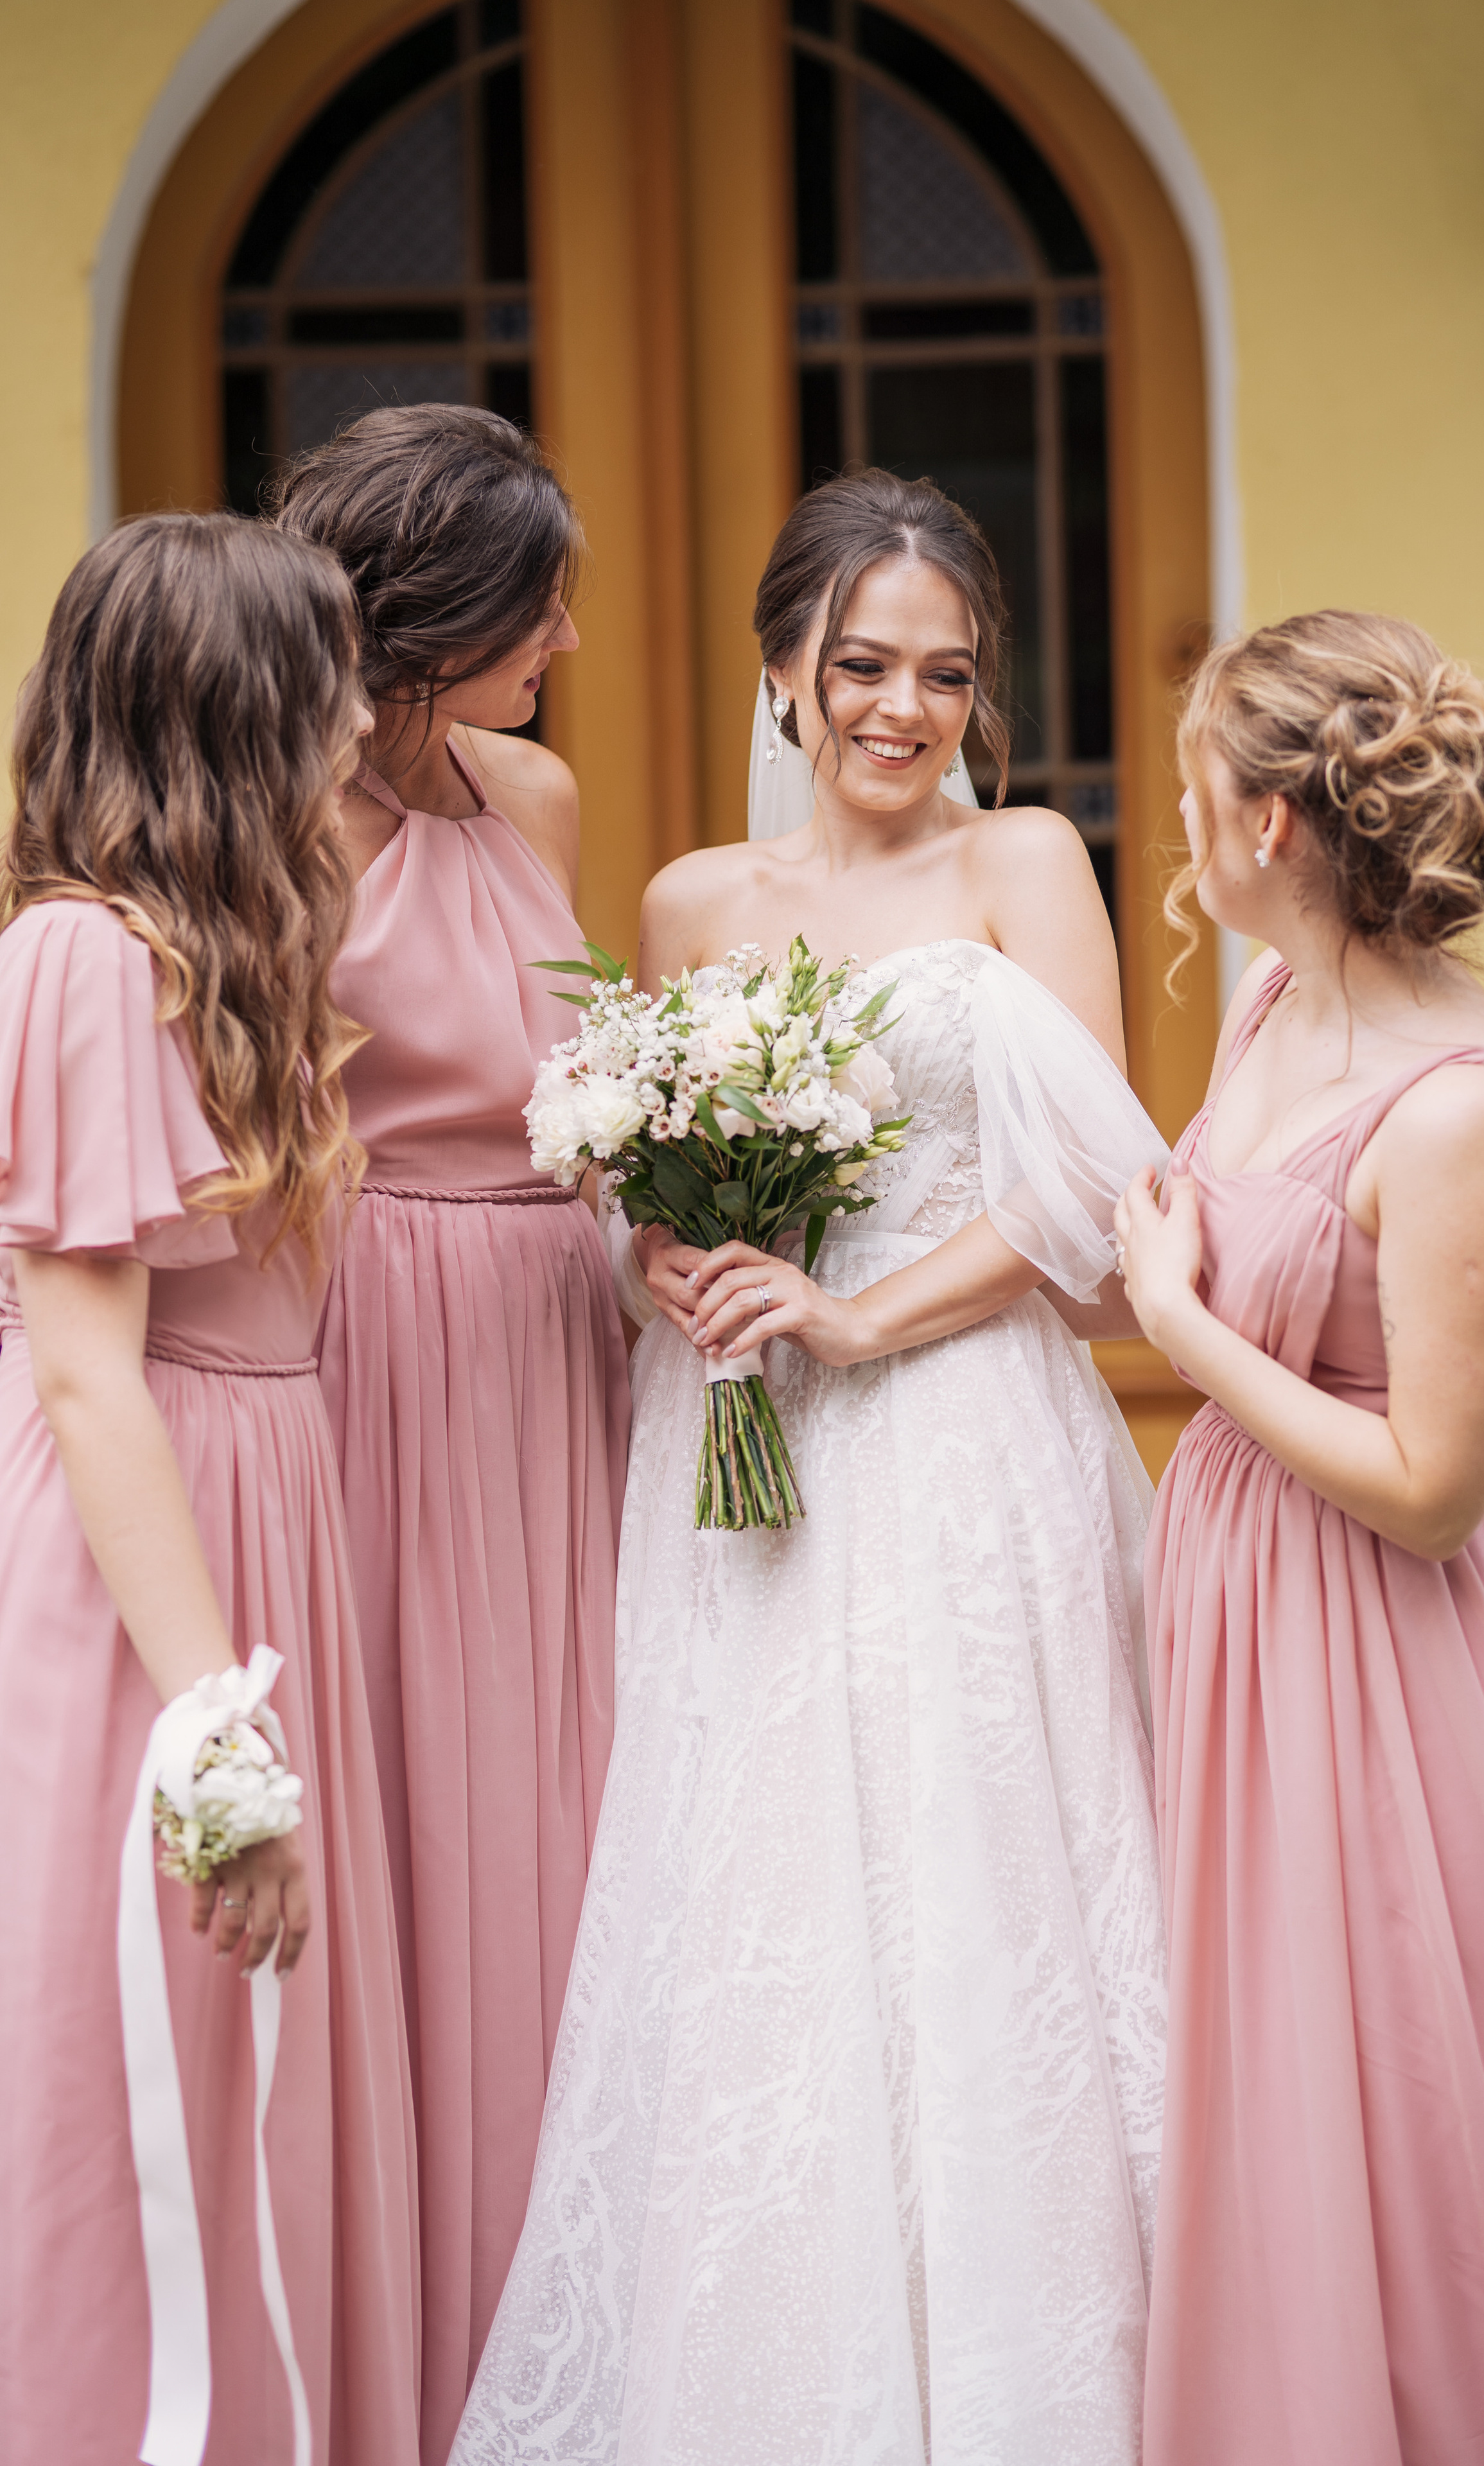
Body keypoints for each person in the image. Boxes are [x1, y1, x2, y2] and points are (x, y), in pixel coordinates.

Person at [453, 469, 1169, 2465]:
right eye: (861, 664)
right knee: (755, 1882)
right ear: (784, 667)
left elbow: (1093, 1195)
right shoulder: (690, 903)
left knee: (968, 1869)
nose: (901, 708)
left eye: (945, 673)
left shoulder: (1025, 861)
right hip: (732, 1447)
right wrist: (661, 1247)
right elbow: (626, 1179)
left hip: (949, 1428)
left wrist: (860, 1320)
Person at [1114, 611, 1484, 2466]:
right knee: (1265, 2096)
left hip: (1389, 1667)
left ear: (1268, 823)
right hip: (1244, 1619)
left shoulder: (1465, 1110)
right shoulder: (1271, 1006)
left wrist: (1175, 1335)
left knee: (1422, 2099)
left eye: (1194, 795)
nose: (1181, 833)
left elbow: (1433, 1482)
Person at [0, 513, 419, 2465]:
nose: (365, 713)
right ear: (239, 713)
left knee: (244, 2071)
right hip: (137, 1571)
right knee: (136, 2075)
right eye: (333, 674)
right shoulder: (80, 959)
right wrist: (219, 1755)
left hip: (252, 1533)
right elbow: (89, 1372)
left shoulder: (236, 941)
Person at [270, 405, 630, 2463]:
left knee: (577, 1811)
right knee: (412, 1806)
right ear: (426, 622)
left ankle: (567, 2330)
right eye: (534, 601)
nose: (567, 633)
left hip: (559, 1353)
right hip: (373, 1359)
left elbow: (574, 1074)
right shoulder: (277, 820)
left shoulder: (540, 794)